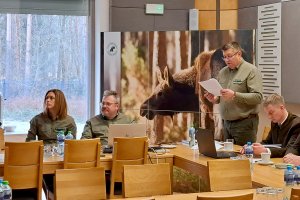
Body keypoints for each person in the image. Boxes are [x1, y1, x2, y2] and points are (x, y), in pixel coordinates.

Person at [204, 41, 263, 145]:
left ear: (239, 54)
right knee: (228, 158)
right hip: (226, 124)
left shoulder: (251, 70)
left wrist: (235, 95)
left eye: (229, 56)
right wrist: (215, 99)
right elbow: (222, 95)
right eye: (224, 57)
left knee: (244, 157)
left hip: (244, 124)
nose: (226, 60)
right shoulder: (223, 72)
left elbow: (258, 97)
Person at [246, 94, 300, 158]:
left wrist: (265, 151)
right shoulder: (275, 122)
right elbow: (268, 142)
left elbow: (290, 150)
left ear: (281, 108)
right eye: (267, 114)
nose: (269, 117)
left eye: (271, 113)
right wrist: (254, 147)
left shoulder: (297, 124)